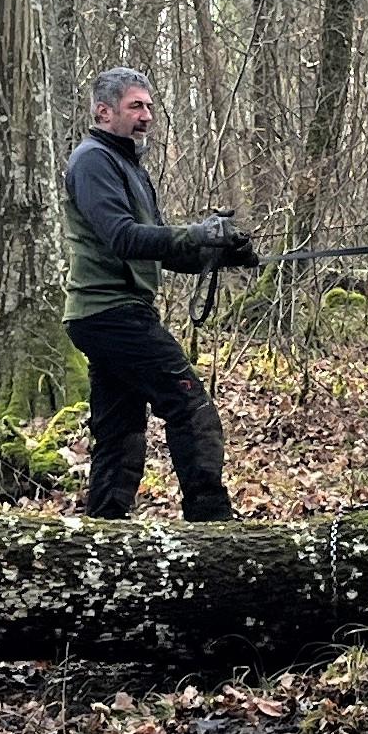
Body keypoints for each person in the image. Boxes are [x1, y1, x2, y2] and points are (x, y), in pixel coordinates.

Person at [61, 66, 260, 519]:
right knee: (190, 406)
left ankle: (105, 529)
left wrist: (222, 252)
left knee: (120, 426)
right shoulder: (93, 160)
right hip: (110, 312)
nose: (147, 115)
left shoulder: (128, 166)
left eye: (149, 106)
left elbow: (157, 248)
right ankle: (211, 522)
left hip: (112, 312)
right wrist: (196, 234)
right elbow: (124, 238)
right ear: (104, 111)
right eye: (136, 106)